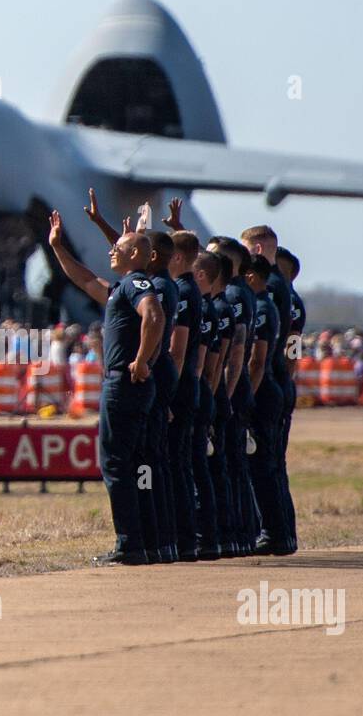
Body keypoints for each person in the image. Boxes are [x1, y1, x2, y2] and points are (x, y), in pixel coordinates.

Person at [48, 208, 164, 566]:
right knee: (138, 464)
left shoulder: (136, 284)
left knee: (115, 464)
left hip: (125, 383)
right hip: (133, 384)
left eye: (119, 247)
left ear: (135, 255)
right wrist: (58, 248)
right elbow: (84, 280)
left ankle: (129, 543)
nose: (111, 250)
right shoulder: (121, 289)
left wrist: (142, 359)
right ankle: (146, 539)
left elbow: (154, 315)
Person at [242, 226, 298, 555]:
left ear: (259, 250)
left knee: (263, 464)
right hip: (276, 379)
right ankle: (281, 533)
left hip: (266, 382)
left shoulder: (270, 289)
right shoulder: (283, 286)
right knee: (272, 465)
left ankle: (274, 532)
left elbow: (263, 349)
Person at [211, 237, 258, 555]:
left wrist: (224, 397)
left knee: (226, 463)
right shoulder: (242, 293)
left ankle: (233, 533)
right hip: (233, 386)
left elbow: (237, 351)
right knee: (232, 463)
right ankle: (241, 532)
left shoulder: (233, 295)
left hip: (230, 386)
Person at [166, 229, 206, 561]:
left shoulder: (182, 292)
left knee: (175, 463)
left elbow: (177, 351)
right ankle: (188, 537)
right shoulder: (192, 290)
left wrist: (166, 395)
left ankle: (182, 538)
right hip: (191, 385)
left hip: (179, 388)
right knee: (182, 463)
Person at [191, 250, 231, 559]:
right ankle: (219, 537)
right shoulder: (215, 307)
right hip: (208, 392)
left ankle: (203, 537)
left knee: (195, 467)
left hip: (201, 391)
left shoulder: (208, 308)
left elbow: (209, 364)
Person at [276, 247, 306, 552]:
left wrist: (284, 377)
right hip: (280, 383)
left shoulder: (290, 304)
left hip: (278, 383)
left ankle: (280, 533)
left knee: (271, 463)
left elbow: (292, 351)